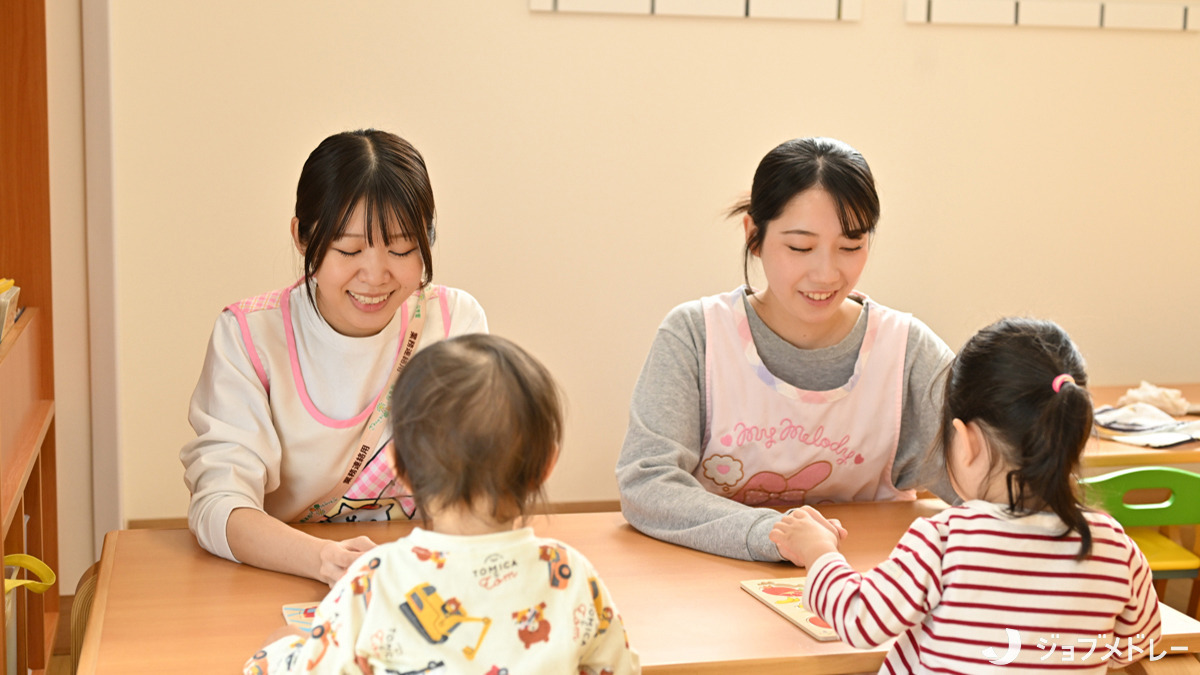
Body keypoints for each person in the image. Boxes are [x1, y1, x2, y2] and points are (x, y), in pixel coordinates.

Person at [616, 137, 955, 564]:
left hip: (865, 593)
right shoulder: (697, 335)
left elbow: (987, 480)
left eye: (851, 247)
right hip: (715, 579)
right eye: (800, 247)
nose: (827, 273)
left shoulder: (906, 351)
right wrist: (770, 534)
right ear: (753, 234)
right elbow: (647, 482)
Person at [181, 129, 488, 584]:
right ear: (303, 238)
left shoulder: (453, 320)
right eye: (349, 249)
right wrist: (324, 561)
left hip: (421, 577)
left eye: (402, 248)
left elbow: (479, 480)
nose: (375, 275)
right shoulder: (250, 335)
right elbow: (219, 506)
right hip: (285, 574)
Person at [771, 318, 1161, 673]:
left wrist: (819, 552)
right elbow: (1137, 644)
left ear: (967, 439)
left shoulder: (945, 539)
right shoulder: (1113, 546)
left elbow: (859, 621)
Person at [243, 334, 641, 674]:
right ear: (547, 466)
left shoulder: (373, 579)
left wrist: (278, 649)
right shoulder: (570, 575)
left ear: (398, 466)